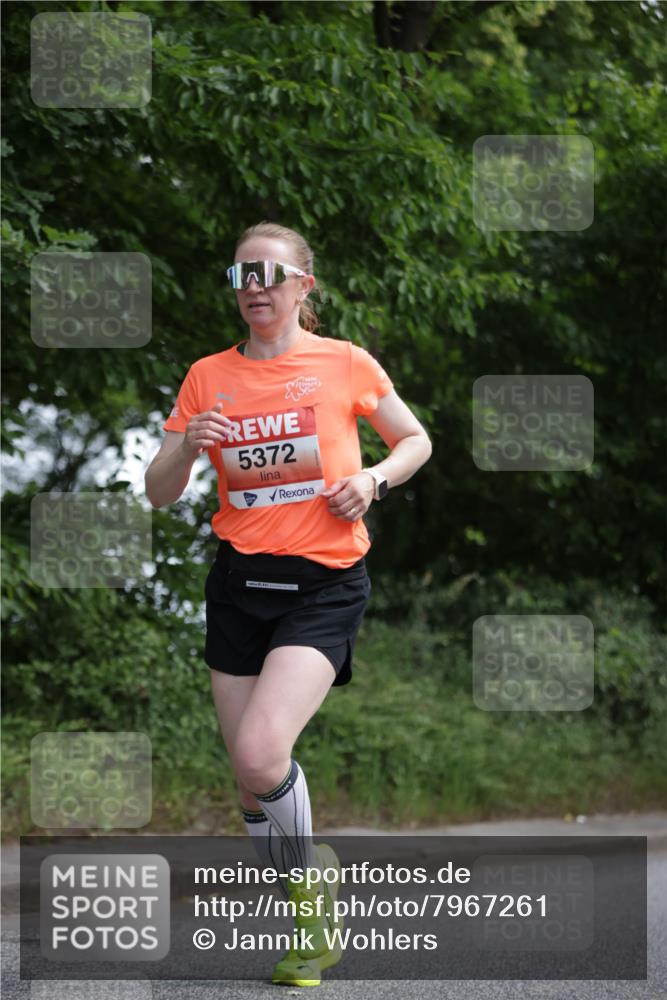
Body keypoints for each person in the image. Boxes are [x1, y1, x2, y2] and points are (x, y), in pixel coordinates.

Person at [144, 221, 432, 986]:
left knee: (261, 753)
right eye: (242, 275)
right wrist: (185, 443)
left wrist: (373, 479)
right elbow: (158, 489)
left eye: (271, 274)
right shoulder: (208, 375)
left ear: (304, 286)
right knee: (248, 780)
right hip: (240, 584)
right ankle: (310, 924)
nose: (256, 288)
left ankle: (313, 890)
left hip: (323, 584)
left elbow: (415, 441)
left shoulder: (343, 363)